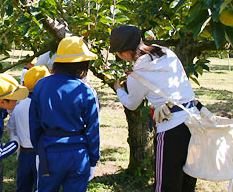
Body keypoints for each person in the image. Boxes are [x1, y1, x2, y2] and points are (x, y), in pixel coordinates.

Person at [109, 25, 200, 192]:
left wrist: (119, 90)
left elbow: (131, 103)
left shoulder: (138, 74)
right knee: (188, 180)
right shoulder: (166, 53)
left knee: (166, 184)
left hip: (172, 129)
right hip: (195, 122)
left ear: (123, 53)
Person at [29, 36, 100, 192]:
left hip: (49, 152)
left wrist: (38, 148)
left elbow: (34, 123)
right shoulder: (86, 90)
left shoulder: (41, 85)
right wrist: (93, 160)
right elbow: (93, 129)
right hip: (78, 154)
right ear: (83, 63)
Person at [8, 65, 50, 192]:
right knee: (41, 186)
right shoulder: (46, 105)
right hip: (43, 154)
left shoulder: (19, 105)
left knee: (23, 186)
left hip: (25, 153)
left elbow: (11, 127)